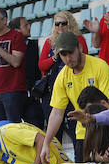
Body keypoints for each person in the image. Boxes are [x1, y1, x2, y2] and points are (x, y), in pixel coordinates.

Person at [39, 31, 109, 164]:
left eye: (70, 52)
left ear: (80, 48)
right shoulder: (62, 76)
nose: (67, 58)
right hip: (83, 134)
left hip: (108, 129)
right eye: (63, 55)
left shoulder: (100, 66)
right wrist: (46, 143)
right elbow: (56, 114)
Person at [36, 11, 89, 144]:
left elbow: (85, 60)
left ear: (70, 23)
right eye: (57, 24)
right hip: (53, 89)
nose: (60, 27)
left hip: (73, 88)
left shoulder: (78, 40)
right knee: (55, 133)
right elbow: (41, 66)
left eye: (63, 23)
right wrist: (54, 57)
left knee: (76, 128)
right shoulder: (50, 42)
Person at [0, 7, 27, 123]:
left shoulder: (16, 36)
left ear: (4, 20)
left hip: (13, 89)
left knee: (14, 127)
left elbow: (16, 62)